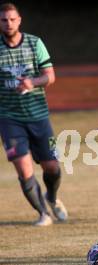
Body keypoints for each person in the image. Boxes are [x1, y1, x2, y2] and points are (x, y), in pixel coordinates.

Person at [0, 2, 67, 226]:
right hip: (9, 118)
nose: (8, 23)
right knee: (23, 167)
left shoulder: (34, 43)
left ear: (19, 20)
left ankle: (52, 197)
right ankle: (43, 213)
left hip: (38, 115)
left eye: (12, 19)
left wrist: (32, 81)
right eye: (3, 20)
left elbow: (50, 76)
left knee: (52, 167)